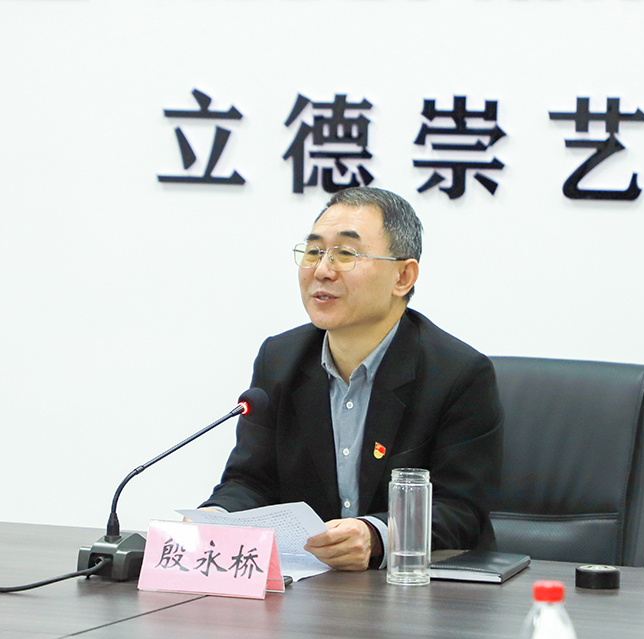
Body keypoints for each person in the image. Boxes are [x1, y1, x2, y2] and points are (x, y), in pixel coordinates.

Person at [202, 187, 502, 571]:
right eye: (314, 252)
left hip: (416, 587)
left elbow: (461, 511)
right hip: (310, 589)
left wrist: (376, 534)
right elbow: (251, 481)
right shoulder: (279, 360)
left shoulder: (459, 375)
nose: (322, 270)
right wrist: (215, 518)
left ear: (403, 276)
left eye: (346, 254)